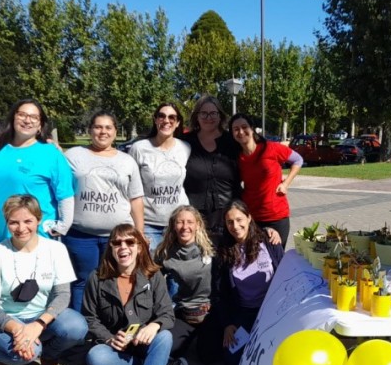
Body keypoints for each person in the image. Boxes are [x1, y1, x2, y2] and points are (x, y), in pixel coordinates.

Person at [0, 195, 88, 365]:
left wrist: (37, 325)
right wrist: (19, 330)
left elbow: (62, 294)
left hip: (39, 317)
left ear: (39, 219)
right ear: (6, 222)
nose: (21, 228)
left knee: (76, 327)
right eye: (14, 222)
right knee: (24, 355)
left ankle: (49, 356)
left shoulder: (55, 249)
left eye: (28, 221)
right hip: (1, 321)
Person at [82, 224, 175, 365]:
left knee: (165, 336)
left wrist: (154, 326)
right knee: (95, 359)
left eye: (129, 242)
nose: (123, 247)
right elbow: (89, 317)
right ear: (111, 248)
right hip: (115, 349)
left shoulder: (154, 275)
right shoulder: (97, 278)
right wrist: (109, 339)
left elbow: (167, 313)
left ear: (139, 247)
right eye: (117, 243)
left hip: (143, 344)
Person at [64, 111, 144, 312]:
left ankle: (110, 326)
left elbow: (135, 199)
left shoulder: (127, 160)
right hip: (80, 235)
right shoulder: (73, 155)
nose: (103, 132)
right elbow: (61, 191)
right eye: (98, 127)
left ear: (115, 131)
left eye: (108, 127)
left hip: (118, 237)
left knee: (115, 281)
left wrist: (139, 233)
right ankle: (80, 329)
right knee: (83, 281)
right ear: (90, 130)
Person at [0, 99, 75, 245]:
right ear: (13, 118)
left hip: (36, 236)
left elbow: (65, 194)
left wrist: (63, 226)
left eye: (34, 117)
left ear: (40, 125)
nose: (27, 120)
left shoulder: (51, 153)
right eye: (22, 115)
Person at [215, 200, 284, 365]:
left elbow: (284, 274)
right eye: (230, 222)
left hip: (271, 311)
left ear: (249, 218)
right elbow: (221, 292)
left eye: (239, 219)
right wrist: (228, 324)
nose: (235, 226)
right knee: (232, 360)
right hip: (245, 313)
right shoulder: (224, 251)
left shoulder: (268, 240)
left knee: (275, 354)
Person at [153, 205, 221, 365]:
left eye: (190, 222)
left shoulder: (214, 244)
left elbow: (242, 237)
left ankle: (205, 337)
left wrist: (270, 231)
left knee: (208, 357)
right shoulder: (164, 253)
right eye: (180, 222)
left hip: (212, 311)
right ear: (173, 225)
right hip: (186, 313)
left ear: (198, 224)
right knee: (169, 349)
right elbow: (149, 280)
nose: (185, 227)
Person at [229, 113, 303, 246]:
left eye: (244, 127)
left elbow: (298, 160)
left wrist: (286, 183)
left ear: (252, 128)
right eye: (236, 129)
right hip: (252, 217)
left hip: (276, 216)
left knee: (276, 259)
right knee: (255, 258)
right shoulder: (237, 158)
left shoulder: (270, 148)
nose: (240, 132)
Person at [128, 103, 191, 252]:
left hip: (179, 222)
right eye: (161, 116)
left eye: (171, 117)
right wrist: (139, 228)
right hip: (149, 223)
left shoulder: (186, 147)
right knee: (150, 271)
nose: (166, 120)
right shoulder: (139, 148)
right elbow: (131, 188)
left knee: (177, 271)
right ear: (155, 120)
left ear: (177, 123)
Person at [181, 95, 242, 246]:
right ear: (197, 116)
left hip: (228, 214)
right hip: (193, 215)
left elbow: (254, 154)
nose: (209, 117)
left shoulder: (232, 141)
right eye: (204, 113)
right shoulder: (184, 142)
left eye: (213, 113)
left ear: (220, 116)